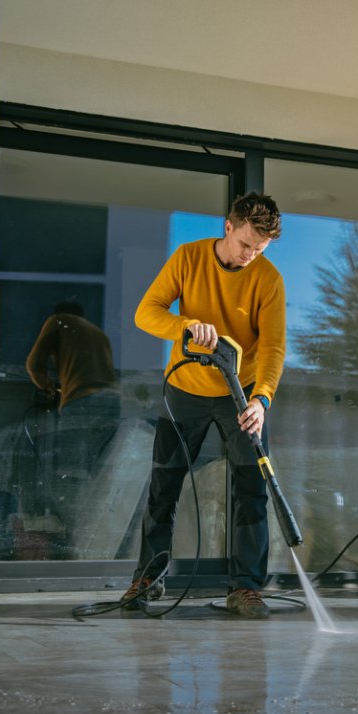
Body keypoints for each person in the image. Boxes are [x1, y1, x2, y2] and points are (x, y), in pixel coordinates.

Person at [123, 192, 286, 618]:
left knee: (252, 492)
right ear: (228, 226)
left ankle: (245, 588)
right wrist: (186, 325)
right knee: (164, 487)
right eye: (246, 244)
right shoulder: (188, 258)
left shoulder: (268, 279)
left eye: (260, 249)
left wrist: (261, 400)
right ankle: (148, 579)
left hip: (241, 395)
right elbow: (145, 313)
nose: (251, 255)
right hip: (186, 391)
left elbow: (272, 348)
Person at [24, 302, 120, 554]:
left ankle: (74, 545)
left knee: (70, 472)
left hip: (82, 401)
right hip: (112, 403)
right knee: (96, 473)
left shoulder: (57, 322)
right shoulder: (98, 333)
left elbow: (34, 364)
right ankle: (95, 542)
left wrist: (46, 386)